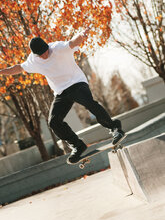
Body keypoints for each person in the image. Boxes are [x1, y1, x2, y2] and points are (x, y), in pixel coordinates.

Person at [0, 28, 125, 163]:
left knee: (89, 103)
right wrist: (2, 71)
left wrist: (82, 35)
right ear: (36, 55)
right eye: (40, 55)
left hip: (77, 83)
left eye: (45, 52)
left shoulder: (58, 48)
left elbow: (72, 43)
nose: (44, 56)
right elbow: (19, 67)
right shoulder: (34, 60)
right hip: (61, 92)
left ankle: (115, 128)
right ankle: (77, 145)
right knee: (53, 122)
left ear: (47, 47)